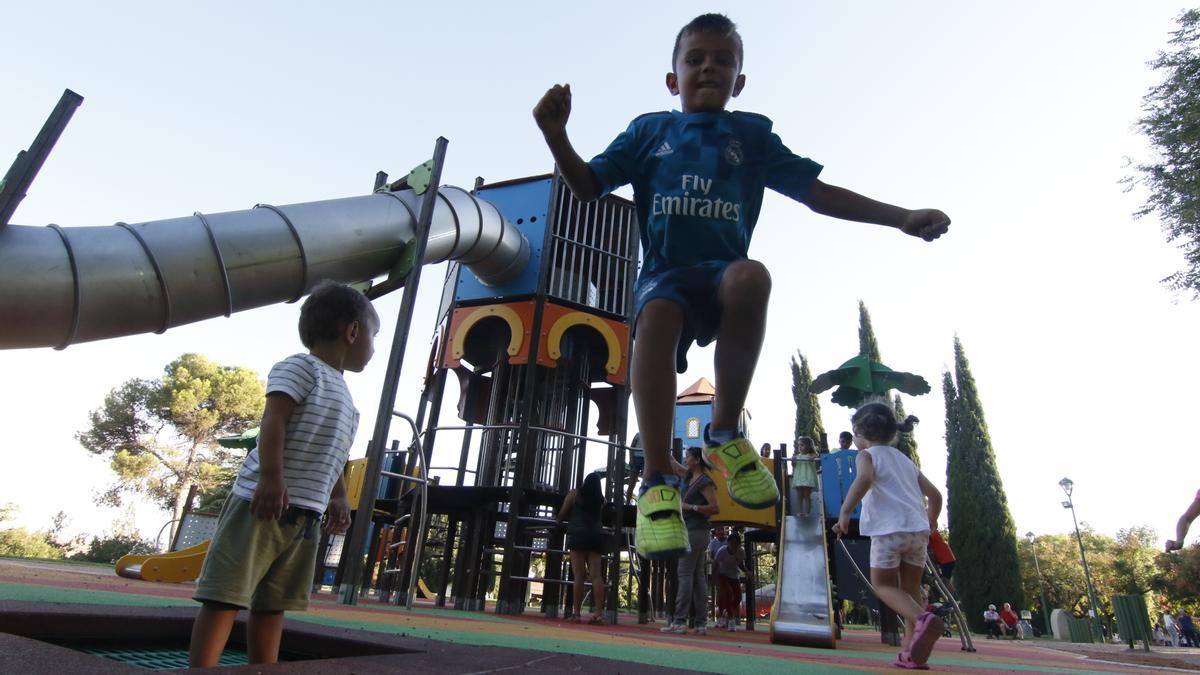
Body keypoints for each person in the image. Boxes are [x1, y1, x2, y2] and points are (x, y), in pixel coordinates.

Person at [532, 13, 950, 560]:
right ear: (672, 78)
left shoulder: (749, 135)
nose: (709, 66)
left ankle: (725, 432)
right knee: (655, 314)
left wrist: (899, 217)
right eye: (695, 58)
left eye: (723, 60)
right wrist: (556, 136)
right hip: (665, 278)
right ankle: (657, 477)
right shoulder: (648, 132)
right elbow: (587, 186)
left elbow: (817, 193)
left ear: (740, 81)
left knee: (753, 275)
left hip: (722, 275)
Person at [188, 281, 377, 667]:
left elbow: (335, 453)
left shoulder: (345, 395)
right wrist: (271, 477)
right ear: (352, 331)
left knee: (274, 603)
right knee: (226, 595)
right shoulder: (301, 368)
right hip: (262, 505)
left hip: (304, 514)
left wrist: (339, 495)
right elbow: (273, 419)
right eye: (373, 336)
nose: (373, 347)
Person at [832, 402, 945, 668]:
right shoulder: (906, 461)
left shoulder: (867, 456)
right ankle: (910, 649)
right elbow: (936, 495)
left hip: (888, 531)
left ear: (860, 433)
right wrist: (932, 519)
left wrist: (845, 512)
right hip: (918, 532)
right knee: (910, 590)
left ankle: (923, 619)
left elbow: (864, 480)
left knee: (883, 585)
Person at [660, 446, 719, 634]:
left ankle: (679, 621)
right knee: (698, 577)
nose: (685, 459)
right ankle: (700, 623)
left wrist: (690, 507)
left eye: (688, 457)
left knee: (684, 574)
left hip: (695, 531)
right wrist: (663, 452)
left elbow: (714, 507)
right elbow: (676, 467)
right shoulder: (690, 478)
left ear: (697, 460)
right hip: (694, 531)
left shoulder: (704, 482)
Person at [558, 472, 607, 625]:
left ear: (585, 481)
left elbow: (562, 514)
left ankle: (577, 614)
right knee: (596, 576)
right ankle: (599, 614)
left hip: (578, 536)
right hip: (595, 537)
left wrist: (558, 520)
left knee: (579, 576)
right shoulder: (601, 500)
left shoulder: (574, 495)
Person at [713, 531, 747, 631]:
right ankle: (731, 620)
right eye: (732, 543)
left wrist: (747, 571)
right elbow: (715, 565)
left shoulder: (741, 552)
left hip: (734, 575)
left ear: (739, 545)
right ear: (728, 543)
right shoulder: (722, 551)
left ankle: (726, 613)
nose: (734, 546)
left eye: (736, 544)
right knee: (727, 593)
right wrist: (716, 581)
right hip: (722, 574)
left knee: (738, 597)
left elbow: (740, 564)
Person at [791, 436, 819, 517]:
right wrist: (793, 461)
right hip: (799, 478)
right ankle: (799, 512)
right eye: (799, 445)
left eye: (802, 445)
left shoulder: (811, 455)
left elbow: (815, 456)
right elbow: (794, 465)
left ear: (808, 446)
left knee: (807, 496)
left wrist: (813, 457)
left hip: (807, 478)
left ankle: (807, 513)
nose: (800, 447)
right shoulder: (797, 456)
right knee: (799, 496)